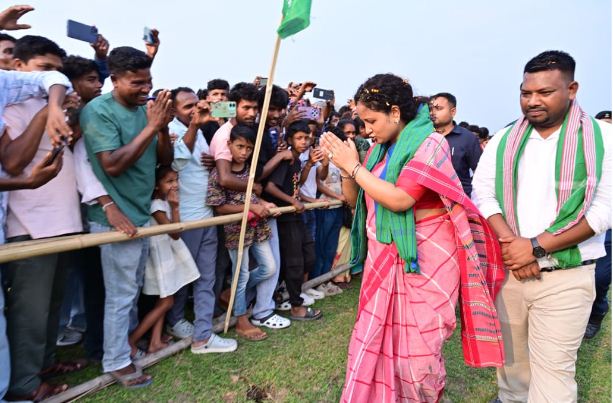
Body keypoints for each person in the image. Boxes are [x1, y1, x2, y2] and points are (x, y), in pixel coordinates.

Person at [321, 73, 505, 402]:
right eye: (363, 122)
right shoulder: (378, 151)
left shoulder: (430, 144)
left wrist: (354, 168)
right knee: (374, 343)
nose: (367, 130)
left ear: (395, 112)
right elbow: (355, 200)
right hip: (384, 258)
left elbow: (401, 199)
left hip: (425, 260)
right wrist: (345, 167)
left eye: (372, 121)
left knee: (419, 360)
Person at [472, 51, 611, 403]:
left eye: (545, 92)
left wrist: (535, 247)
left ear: (572, 89)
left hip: (567, 276)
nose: (532, 101)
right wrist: (514, 246)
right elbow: (483, 194)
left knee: (553, 378)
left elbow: (603, 211)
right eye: (525, 92)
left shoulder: (602, 139)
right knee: (512, 369)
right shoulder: (504, 139)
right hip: (510, 272)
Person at [0, 35, 90, 402]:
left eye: (57, 70)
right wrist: (44, 112)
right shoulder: (11, 107)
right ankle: (23, 384)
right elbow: (13, 163)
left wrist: (69, 112)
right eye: (44, 69)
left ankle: (45, 363)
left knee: (52, 306)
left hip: (63, 221)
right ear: (19, 67)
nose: (53, 77)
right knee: (30, 312)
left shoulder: (57, 106)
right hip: (30, 227)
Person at [80, 46, 173, 388]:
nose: (146, 89)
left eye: (149, 81)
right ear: (114, 79)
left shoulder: (147, 110)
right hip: (113, 218)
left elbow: (165, 160)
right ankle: (116, 361)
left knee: (131, 291)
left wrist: (161, 129)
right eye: (137, 83)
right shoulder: (98, 111)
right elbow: (112, 165)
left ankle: (125, 349)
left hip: (140, 212)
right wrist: (152, 126)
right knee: (120, 295)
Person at [167, 86, 237, 353]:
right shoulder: (171, 130)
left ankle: (202, 335)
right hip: (185, 219)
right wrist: (195, 126)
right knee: (182, 278)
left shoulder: (201, 130)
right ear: (173, 110)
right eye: (187, 107)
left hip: (206, 214)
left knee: (205, 278)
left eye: (196, 105)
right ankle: (176, 322)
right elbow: (176, 164)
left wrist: (210, 161)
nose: (194, 110)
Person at [207, 124, 290, 340]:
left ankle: (231, 293)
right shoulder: (219, 173)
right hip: (236, 232)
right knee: (241, 275)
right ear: (229, 145)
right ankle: (241, 320)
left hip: (257, 230)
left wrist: (263, 203)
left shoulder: (250, 171)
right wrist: (250, 207)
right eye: (240, 146)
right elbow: (218, 207)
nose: (244, 152)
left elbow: (253, 197)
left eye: (249, 148)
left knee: (269, 268)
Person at [130, 166, 199, 354]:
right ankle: (132, 340)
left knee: (165, 299)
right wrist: (175, 207)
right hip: (160, 256)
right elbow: (175, 233)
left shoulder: (163, 201)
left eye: (176, 180)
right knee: (166, 301)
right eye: (169, 181)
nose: (175, 185)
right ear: (156, 185)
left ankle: (155, 341)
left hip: (166, 253)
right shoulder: (156, 206)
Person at [265, 120, 323, 321]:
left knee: (309, 256)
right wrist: (292, 201)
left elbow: (298, 184)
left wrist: (309, 165)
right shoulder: (286, 159)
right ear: (289, 140)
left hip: (297, 215)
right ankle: (296, 307)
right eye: (299, 138)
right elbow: (270, 187)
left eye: (306, 138)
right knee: (294, 262)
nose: (304, 142)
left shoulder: (297, 160)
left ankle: (283, 294)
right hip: (285, 218)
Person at [429, 92, 482, 195]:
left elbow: (480, 173)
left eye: (438, 108)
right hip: (429, 200)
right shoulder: (425, 137)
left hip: (460, 199)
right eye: (431, 109)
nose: (433, 113)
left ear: (453, 112)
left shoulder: (467, 138)